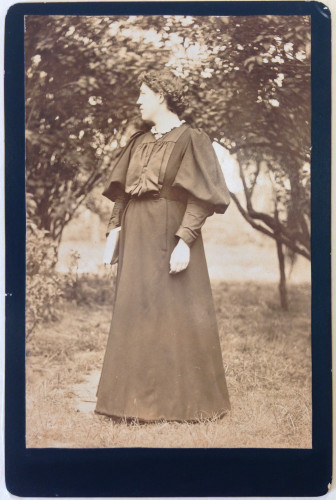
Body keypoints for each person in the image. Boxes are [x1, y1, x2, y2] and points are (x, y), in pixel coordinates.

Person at [95, 69, 231, 423]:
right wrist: (114, 233)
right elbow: (123, 194)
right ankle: (129, 403)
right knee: (136, 311)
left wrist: (185, 241)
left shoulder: (191, 139)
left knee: (174, 314)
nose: (138, 100)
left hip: (172, 233)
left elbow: (200, 199)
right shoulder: (139, 141)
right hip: (137, 234)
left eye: (143, 93)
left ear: (162, 95)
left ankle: (183, 405)